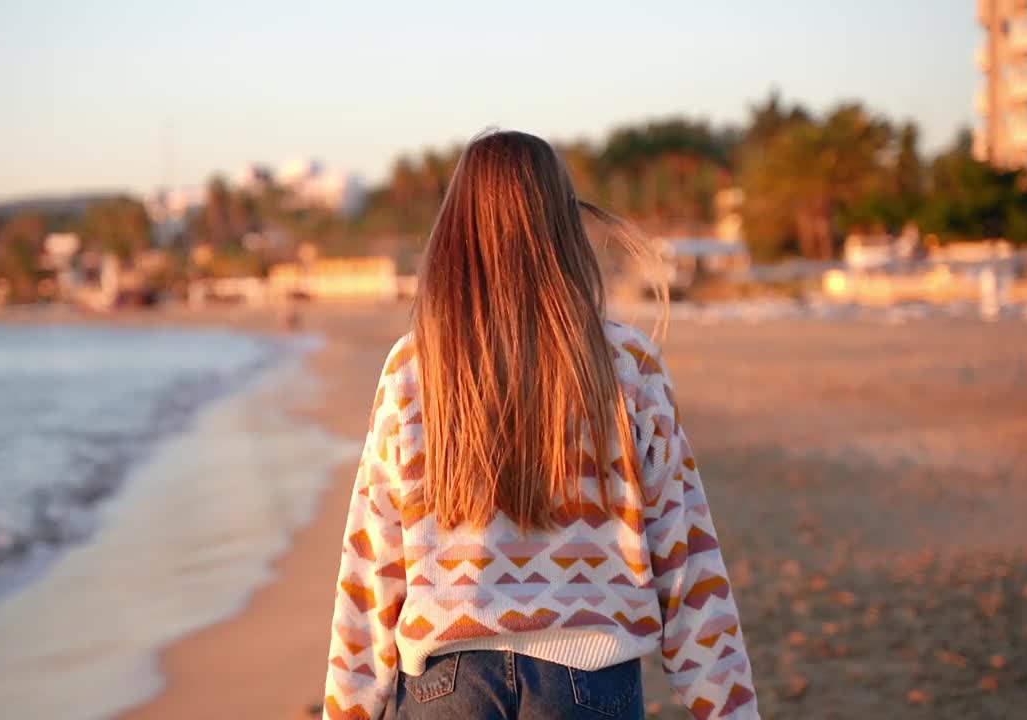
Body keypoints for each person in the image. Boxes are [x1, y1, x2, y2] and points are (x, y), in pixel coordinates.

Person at [322, 130, 758, 719]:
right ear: (562, 228)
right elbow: (688, 562)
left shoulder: (414, 369)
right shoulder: (627, 365)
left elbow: (373, 565)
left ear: (455, 235)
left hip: (445, 689)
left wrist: (347, 709)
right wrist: (729, 710)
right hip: (590, 687)